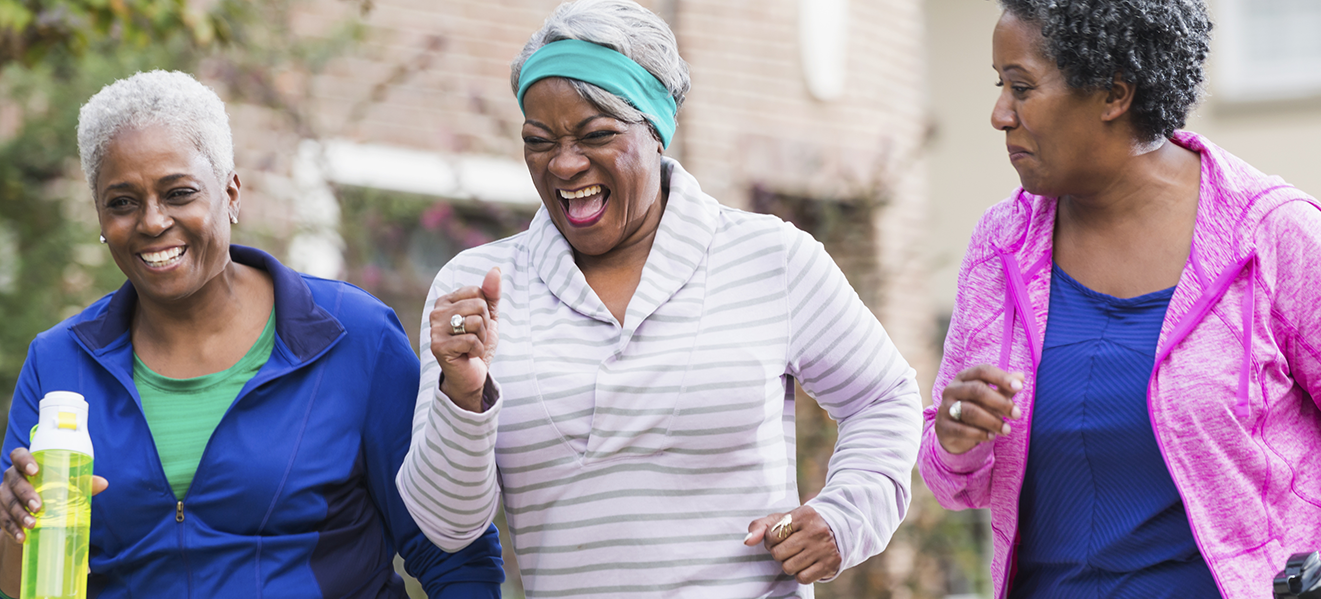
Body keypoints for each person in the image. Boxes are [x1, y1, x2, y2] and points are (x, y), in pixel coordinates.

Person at [393, 0, 923, 596]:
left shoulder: (769, 257)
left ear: (656, 130)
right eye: (539, 141)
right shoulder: (478, 287)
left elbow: (884, 398)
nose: (565, 164)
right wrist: (462, 397)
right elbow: (446, 526)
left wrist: (846, 516)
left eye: (596, 135)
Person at [918, 1, 1321, 598]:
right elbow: (954, 484)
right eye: (1000, 86)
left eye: (1021, 87)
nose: (999, 115)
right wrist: (954, 437)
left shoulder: (1269, 236)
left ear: (1114, 95)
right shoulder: (1002, 246)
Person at [0, 70, 504, 598]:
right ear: (100, 216)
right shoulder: (59, 362)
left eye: (179, 193)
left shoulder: (353, 336)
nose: (151, 222)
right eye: (122, 202)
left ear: (232, 193)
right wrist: (17, 527)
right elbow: (25, 587)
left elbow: (451, 550)